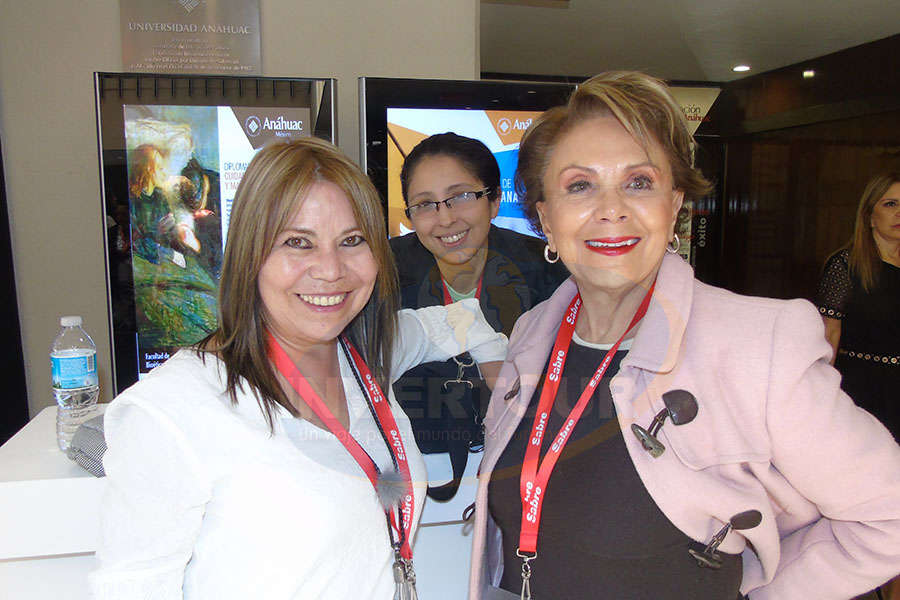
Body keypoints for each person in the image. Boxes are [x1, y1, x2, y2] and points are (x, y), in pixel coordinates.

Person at [469, 71, 900, 600]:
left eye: (639, 182)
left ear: (674, 205)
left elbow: (887, 515)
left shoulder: (758, 344)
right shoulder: (533, 332)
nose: (611, 209)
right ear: (545, 218)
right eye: (579, 185)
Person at [90, 138, 508, 600]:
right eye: (297, 242)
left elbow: (461, 320)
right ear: (251, 253)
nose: (330, 270)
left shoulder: (368, 351)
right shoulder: (173, 409)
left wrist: (505, 401)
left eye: (352, 241)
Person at [390, 133, 567, 499]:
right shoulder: (382, 270)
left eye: (461, 197)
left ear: (495, 200)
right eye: (425, 205)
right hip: (422, 469)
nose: (445, 219)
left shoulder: (549, 271)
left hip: (525, 468)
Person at [816, 173, 900, 440]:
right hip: (863, 387)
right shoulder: (845, 265)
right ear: (869, 214)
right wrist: (819, 392)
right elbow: (830, 334)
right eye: (890, 204)